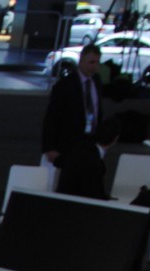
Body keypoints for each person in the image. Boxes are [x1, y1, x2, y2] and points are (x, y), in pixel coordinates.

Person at [42, 44, 102, 175]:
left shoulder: (97, 82)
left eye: (97, 62)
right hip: (69, 142)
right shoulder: (65, 85)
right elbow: (52, 117)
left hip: (90, 141)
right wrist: (49, 147)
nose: (94, 66)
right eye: (91, 62)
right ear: (81, 61)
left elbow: (97, 110)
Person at [56, 117, 120, 199]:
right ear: (115, 139)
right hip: (78, 203)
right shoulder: (95, 162)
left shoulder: (79, 148)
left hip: (60, 200)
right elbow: (93, 194)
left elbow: (58, 161)